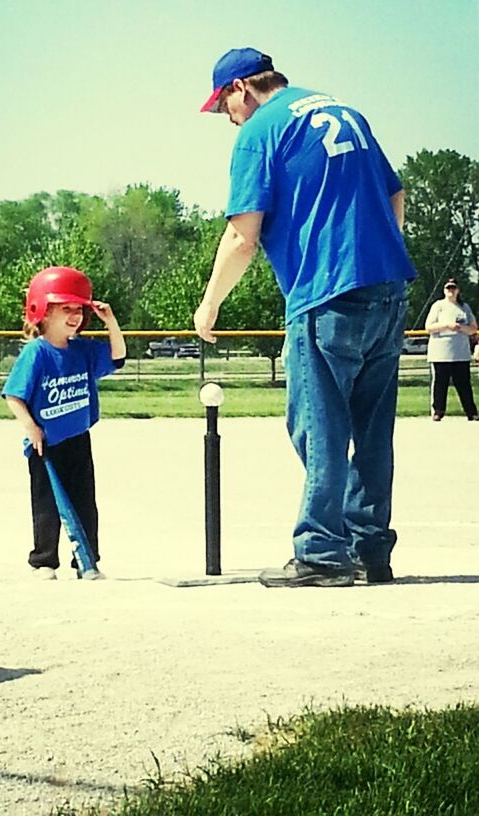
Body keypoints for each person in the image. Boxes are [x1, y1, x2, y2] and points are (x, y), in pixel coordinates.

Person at [193, 47, 416, 587]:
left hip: (327, 292)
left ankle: (321, 550)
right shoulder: (344, 111)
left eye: (224, 105)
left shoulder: (260, 130)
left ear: (242, 89)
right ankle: (369, 548)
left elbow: (243, 235)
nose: (228, 118)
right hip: (388, 287)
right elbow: (397, 196)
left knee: (318, 425)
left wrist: (210, 301)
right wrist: (375, 253)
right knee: (372, 428)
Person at [2, 266, 126, 580]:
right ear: (42, 311)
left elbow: (118, 356)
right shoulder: (36, 353)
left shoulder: (82, 350)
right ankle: (43, 562)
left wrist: (109, 320)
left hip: (78, 437)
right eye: (64, 309)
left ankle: (87, 561)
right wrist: (31, 428)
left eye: (78, 310)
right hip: (46, 442)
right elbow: (13, 395)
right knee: (46, 505)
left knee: (85, 502)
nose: (74, 316)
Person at [425, 278, 478, 421]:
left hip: (460, 353)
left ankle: (471, 412)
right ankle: (438, 411)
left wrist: (461, 328)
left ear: (458, 290)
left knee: (464, 384)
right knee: (440, 384)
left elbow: (473, 328)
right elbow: (429, 327)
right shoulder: (438, 306)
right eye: (448, 288)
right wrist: (447, 325)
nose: (451, 290)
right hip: (441, 353)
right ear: (444, 290)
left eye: (453, 288)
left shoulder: (464, 307)